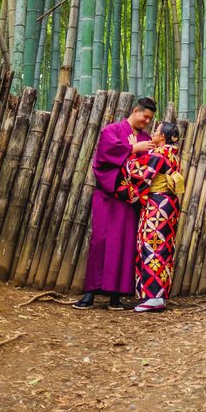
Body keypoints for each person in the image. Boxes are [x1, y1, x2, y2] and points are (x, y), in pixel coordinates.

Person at [73, 96, 156, 310]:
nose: (147, 122)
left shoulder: (147, 137)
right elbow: (104, 156)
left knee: (125, 244)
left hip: (130, 201)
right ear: (135, 110)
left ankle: (115, 296)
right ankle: (90, 293)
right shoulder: (111, 131)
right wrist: (134, 149)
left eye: (150, 119)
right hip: (108, 197)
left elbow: (149, 169)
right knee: (99, 241)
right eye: (145, 117)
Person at [118, 120, 185, 312]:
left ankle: (153, 297)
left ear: (162, 136)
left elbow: (134, 171)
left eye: (155, 131)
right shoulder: (172, 154)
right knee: (163, 247)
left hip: (158, 204)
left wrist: (131, 150)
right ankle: (158, 296)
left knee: (152, 246)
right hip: (168, 203)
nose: (152, 134)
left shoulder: (160, 153)